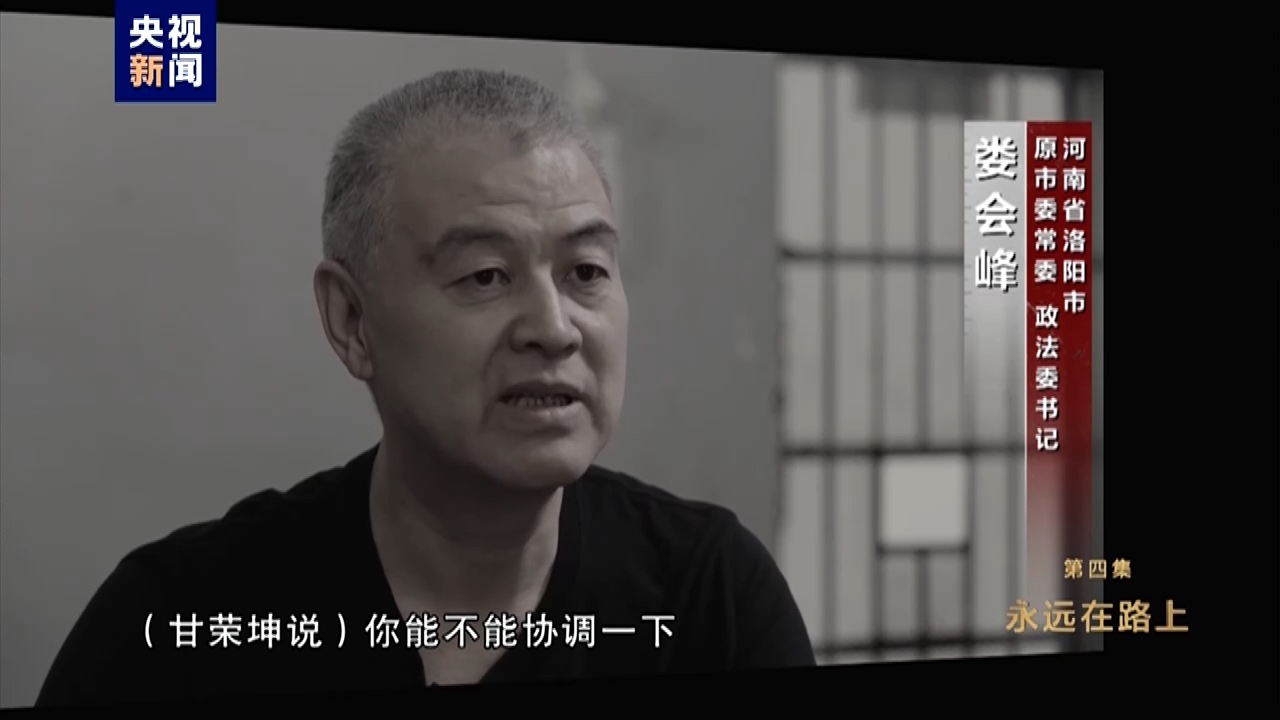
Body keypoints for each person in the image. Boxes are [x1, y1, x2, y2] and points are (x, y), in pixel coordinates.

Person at [36, 69, 814, 706]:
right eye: (485, 275)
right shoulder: (183, 621)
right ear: (353, 320)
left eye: (585, 271)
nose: (554, 328)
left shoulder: (708, 600)